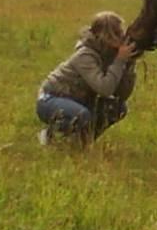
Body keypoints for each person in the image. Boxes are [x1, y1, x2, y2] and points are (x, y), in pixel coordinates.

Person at [36, 11, 137, 146]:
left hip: (79, 101)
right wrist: (119, 61)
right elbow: (105, 89)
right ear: (105, 36)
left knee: (118, 108)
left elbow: (121, 95)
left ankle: (83, 141)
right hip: (51, 99)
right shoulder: (84, 56)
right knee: (81, 115)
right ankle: (50, 134)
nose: (122, 38)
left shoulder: (109, 54)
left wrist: (129, 66)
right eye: (118, 34)